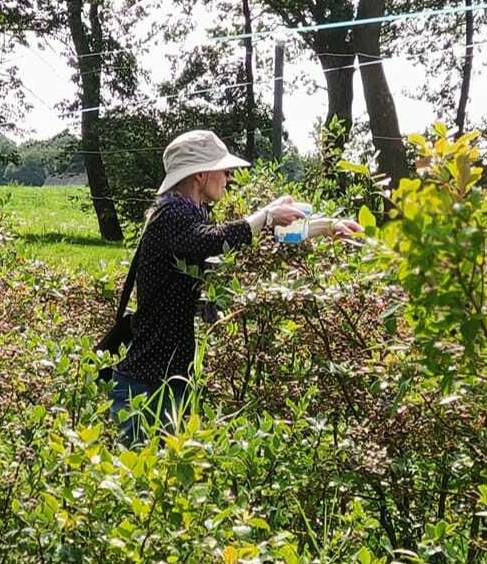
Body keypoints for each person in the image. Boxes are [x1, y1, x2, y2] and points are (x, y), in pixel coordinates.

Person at [108, 130, 359, 442]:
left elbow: (243, 240)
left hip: (163, 379)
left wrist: (328, 227)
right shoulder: (171, 213)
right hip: (146, 386)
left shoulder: (188, 212)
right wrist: (266, 215)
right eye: (224, 170)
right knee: (139, 478)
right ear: (200, 174)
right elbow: (216, 240)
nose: (229, 176)